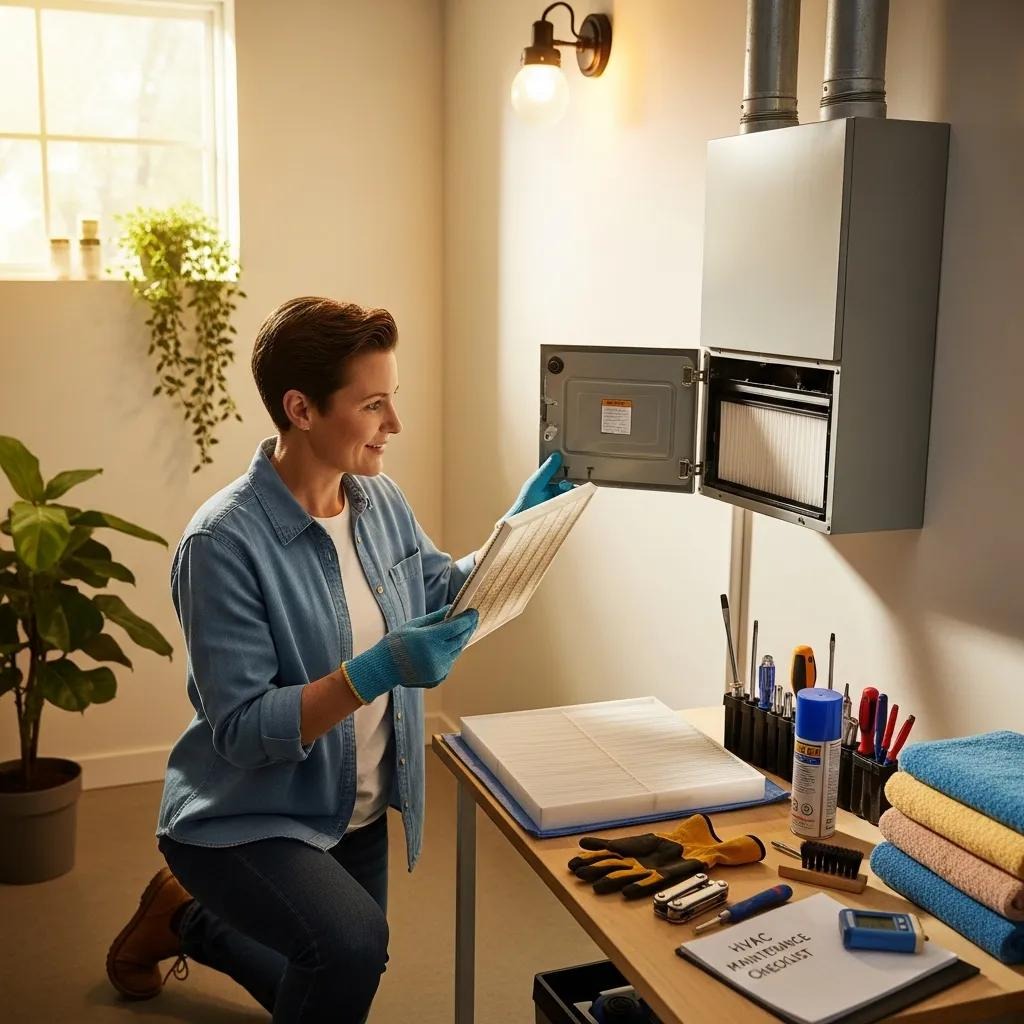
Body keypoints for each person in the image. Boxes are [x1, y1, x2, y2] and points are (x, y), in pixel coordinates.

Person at [104, 297, 571, 1023]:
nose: (395, 425)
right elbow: (244, 729)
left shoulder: (378, 500)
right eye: (374, 405)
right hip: (244, 815)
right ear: (302, 409)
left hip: (350, 807)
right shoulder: (222, 544)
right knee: (349, 947)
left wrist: (519, 525)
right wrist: (377, 669)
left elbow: (442, 592)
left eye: (395, 400)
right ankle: (191, 899)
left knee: (340, 972)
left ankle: (185, 922)